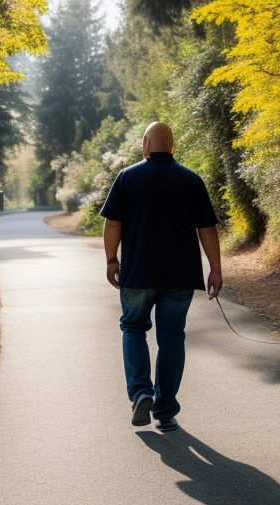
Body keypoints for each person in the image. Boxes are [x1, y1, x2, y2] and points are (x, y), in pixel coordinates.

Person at [101, 121, 222, 432]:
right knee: (171, 338)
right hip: (180, 276)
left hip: (138, 272)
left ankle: (141, 392)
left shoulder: (127, 177)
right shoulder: (191, 180)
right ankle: (165, 411)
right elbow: (207, 229)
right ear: (172, 146)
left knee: (132, 327)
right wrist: (215, 269)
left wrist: (112, 259)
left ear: (145, 144)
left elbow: (112, 223)